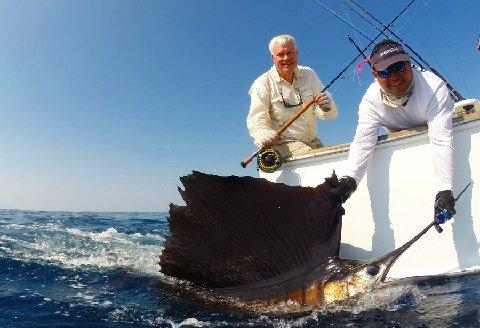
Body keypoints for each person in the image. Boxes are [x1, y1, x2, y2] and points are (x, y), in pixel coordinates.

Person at [331, 39, 456, 227]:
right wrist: (350, 179)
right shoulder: (370, 101)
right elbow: (364, 141)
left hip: (439, 135)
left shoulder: (434, 87)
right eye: (384, 72)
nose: (394, 76)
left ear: (409, 62)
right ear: (374, 74)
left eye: (398, 66)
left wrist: (445, 189)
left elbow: (441, 140)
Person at [246, 34, 338, 159]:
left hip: (312, 141)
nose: (286, 58)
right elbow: (256, 121)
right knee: (316, 161)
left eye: (290, 53)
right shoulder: (261, 83)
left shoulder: (309, 74)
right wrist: (264, 134)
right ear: (272, 57)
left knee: (334, 159)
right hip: (283, 144)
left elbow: (330, 113)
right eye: (280, 55)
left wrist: (326, 107)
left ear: (297, 53)